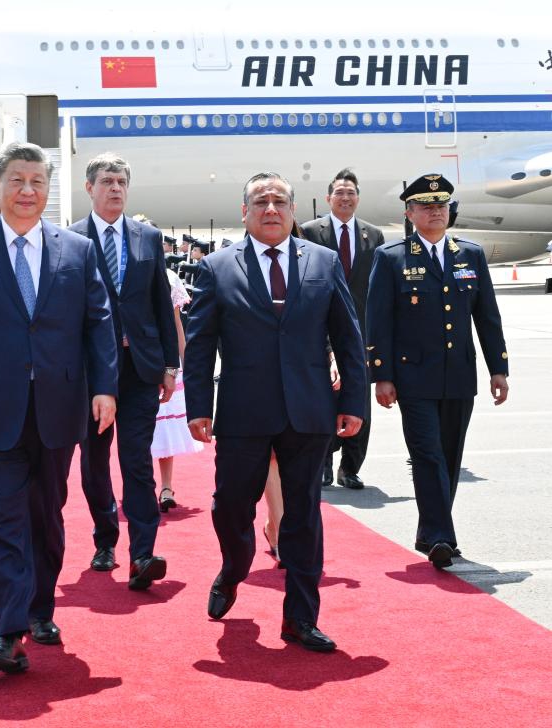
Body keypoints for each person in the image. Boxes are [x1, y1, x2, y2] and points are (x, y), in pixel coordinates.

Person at [0, 142, 117, 674]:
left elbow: (99, 322)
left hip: (59, 407)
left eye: (37, 181)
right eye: (17, 180)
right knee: (2, 520)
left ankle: (41, 610)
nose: (27, 191)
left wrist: (103, 386)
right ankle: (7, 631)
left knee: (46, 517)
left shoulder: (77, 250)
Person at [185, 171, 366, 653]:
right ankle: (234, 566)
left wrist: (353, 402)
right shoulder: (217, 267)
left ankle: (300, 618)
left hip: (309, 411)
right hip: (244, 411)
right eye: (260, 201)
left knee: (304, 515)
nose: (270, 209)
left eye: (279, 201)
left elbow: (349, 340)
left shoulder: (325, 264)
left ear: (292, 211)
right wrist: (198, 406)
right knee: (231, 508)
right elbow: (200, 346)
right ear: (244, 212)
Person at [366, 174, 509, 569]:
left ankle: (431, 531)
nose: (435, 211)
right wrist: (382, 375)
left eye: (441, 205)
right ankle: (442, 537)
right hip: (413, 378)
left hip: (460, 376)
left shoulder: (471, 254)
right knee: (427, 455)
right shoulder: (392, 257)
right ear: (410, 213)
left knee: (449, 456)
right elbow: (379, 322)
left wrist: (499, 368)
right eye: (426, 206)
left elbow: (488, 317)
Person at [69, 153, 177, 586]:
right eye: (106, 181)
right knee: (95, 461)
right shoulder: (70, 240)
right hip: (92, 372)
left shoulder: (147, 237)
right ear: (89, 188)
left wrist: (170, 363)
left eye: (121, 182)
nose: (115, 188)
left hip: (139, 367)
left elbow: (160, 303)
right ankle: (105, 538)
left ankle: (143, 553)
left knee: (136, 460)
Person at [301, 169, 385, 489]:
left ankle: (350, 467)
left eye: (351, 192)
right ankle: (323, 462)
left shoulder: (373, 235)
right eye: (339, 192)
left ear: (358, 198)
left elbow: (376, 288)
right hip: (319, 328)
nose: (345, 198)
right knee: (322, 397)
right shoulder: (309, 231)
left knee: (358, 399)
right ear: (328, 198)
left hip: (360, 331)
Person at [150, 264, 202, 511]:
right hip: (134, 361)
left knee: (165, 426)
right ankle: (139, 485)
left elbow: (176, 325)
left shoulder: (168, 278)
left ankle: (166, 486)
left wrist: (184, 362)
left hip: (166, 364)